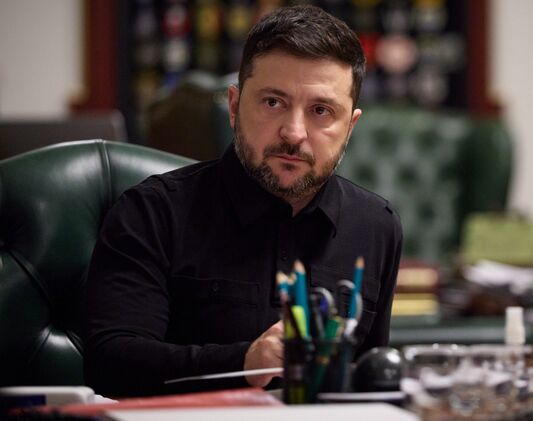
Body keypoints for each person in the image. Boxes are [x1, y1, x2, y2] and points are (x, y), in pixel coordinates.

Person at [84, 5, 402, 397]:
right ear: (234, 107)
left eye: (321, 111)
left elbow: (368, 385)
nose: (294, 132)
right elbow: (111, 365)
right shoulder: (152, 211)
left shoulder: (376, 225)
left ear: (350, 126)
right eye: (273, 102)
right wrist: (245, 362)